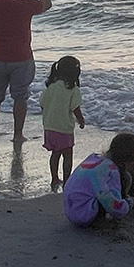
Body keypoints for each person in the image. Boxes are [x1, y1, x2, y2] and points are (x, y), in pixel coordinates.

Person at [0, 0, 52, 141]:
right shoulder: (25, 4)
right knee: (20, 97)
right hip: (21, 56)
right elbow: (47, 3)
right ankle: (18, 134)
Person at [62, 132, 134, 227]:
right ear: (128, 160)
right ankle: (100, 221)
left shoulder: (94, 159)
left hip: (71, 208)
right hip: (82, 215)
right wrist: (128, 203)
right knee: (122, 182)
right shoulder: (110, 170)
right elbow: (113, 203)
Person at [40, 55, 86, 189]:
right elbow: (75, 108)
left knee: (55, 154)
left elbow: (42, 103)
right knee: (67, 155)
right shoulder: (73, 89)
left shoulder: (51, 87)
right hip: (64, 127)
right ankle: (67, 181)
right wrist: (81, 121)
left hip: (49, 126)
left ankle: (54, 179)